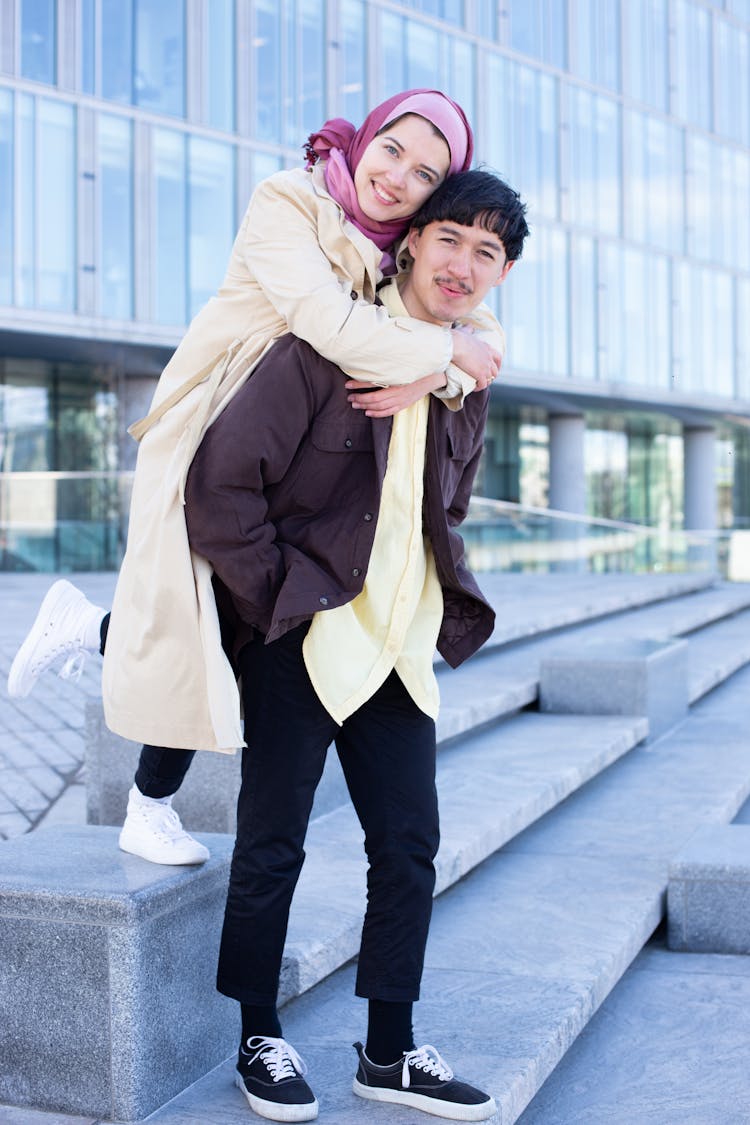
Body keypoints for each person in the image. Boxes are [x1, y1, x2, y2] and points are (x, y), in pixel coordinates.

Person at [7, 90, 503, 868]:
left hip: (289, 447)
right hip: (212, 428)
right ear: (366, 139)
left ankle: (111, 695)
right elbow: (331, 325)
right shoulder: (287, 201)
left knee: (221, 625)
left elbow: (480, 330)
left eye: (425, 173)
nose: (397, 175)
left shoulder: (395, 247)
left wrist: (441, 370)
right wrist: (440, 364)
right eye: (392, 150)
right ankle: (145, 792)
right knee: (199, 614)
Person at [182, 168, 529, 1122]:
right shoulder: (321, 345)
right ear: (412, 240)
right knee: (272, 847)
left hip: (398, 646)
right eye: (451, 237)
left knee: (409, 843)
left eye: (488, 253)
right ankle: (259, 1030)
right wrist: (279, 602)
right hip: (304, 632)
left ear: (500, 275)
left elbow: (444, 504)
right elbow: (221, 487)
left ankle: (388, 1048)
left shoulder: (467, 375)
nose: (464, 264)